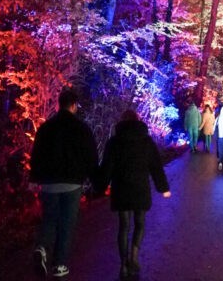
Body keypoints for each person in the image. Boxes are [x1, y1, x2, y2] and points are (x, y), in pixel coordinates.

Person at [30, 86, 99, 279]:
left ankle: (42, 247)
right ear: (74, 105)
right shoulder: (81, 128)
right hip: (72, 183)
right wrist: (95, 180)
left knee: (50, 218)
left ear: (59, 104)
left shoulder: (46, 127)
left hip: (49, 183)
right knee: (67, 223)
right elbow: (90, 156)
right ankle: (59, 264)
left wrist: (34, 178)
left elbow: (37, 153)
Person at [98, 109, 171, 277]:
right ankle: (134, 256)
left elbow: (107, 167)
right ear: (138, 121)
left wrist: (99, 186)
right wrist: (163, 187)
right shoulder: (146, 142)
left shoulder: (114, 142)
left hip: (121, 188)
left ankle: (123, 264)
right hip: (140, 188)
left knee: (123, 226)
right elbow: (156, 167)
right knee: (140, 223)